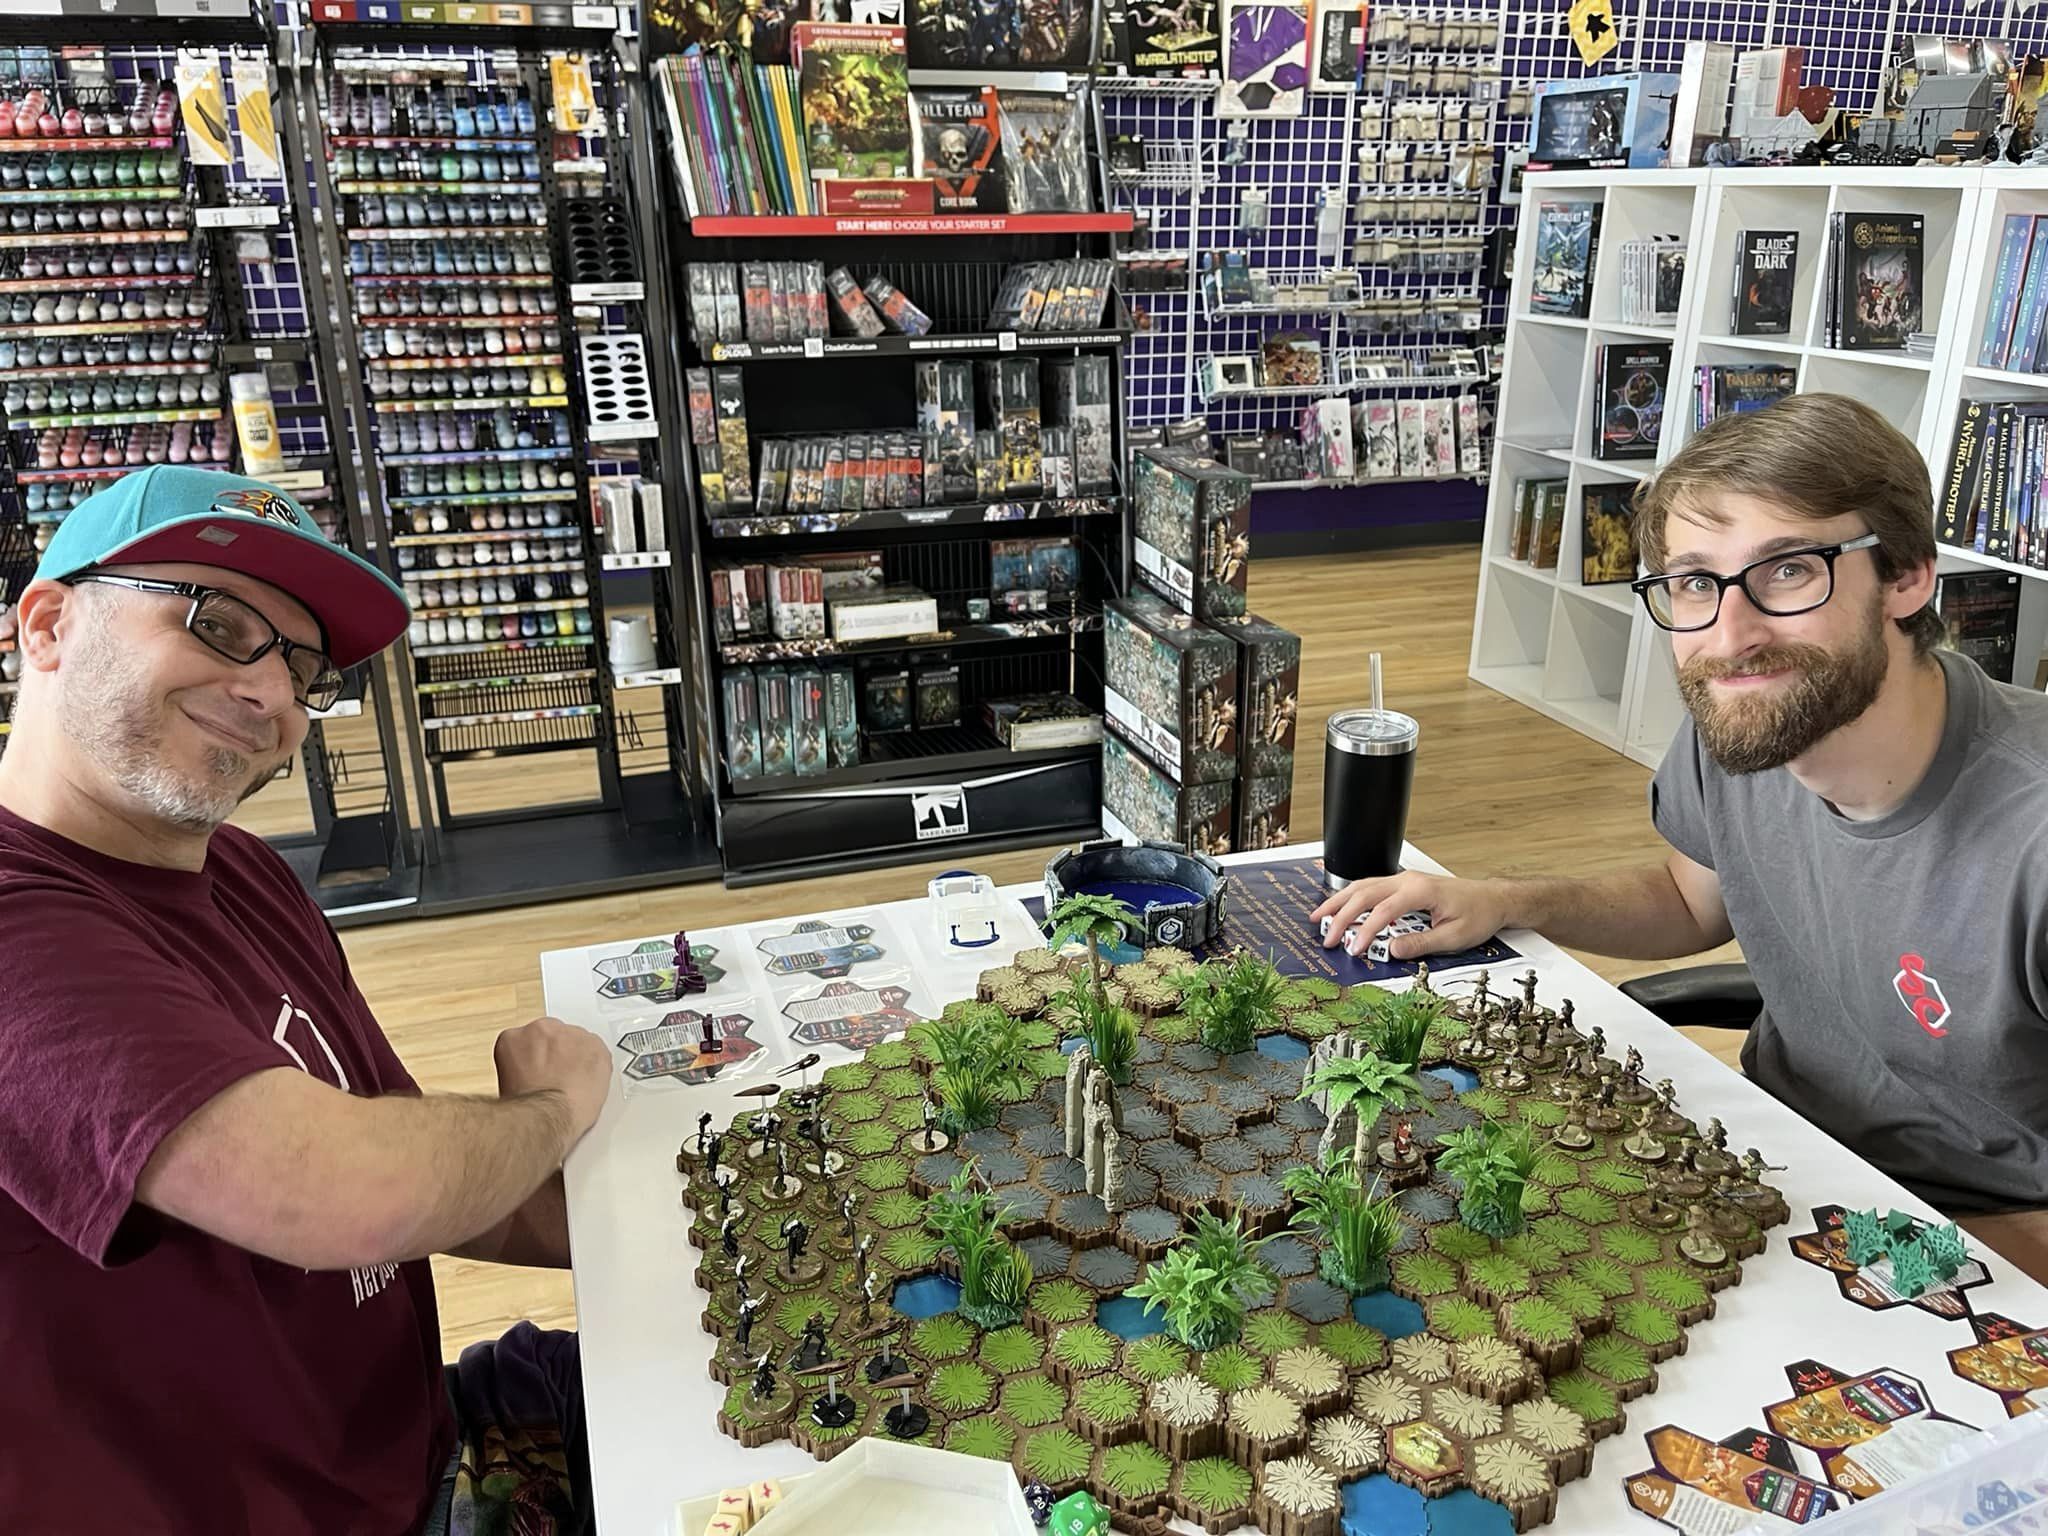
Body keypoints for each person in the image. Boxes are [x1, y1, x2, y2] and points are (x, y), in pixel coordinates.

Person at [0, 467, 612, 1533]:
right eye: (220, 624)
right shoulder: (19, 922)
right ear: (49, 626)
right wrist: (554, 1108)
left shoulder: (241, 872)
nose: (272, 696)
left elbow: (418, 1161)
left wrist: (664, 1226)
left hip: (422, 1445)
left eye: (303, 667)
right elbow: (349, 1191)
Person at [1315, 393, 2048, 1216]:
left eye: (1790, 570)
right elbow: (1690, 899)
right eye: (1698, 583)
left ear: (1906, 577)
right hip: (1773, 1162)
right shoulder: (1749, 722)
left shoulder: (2032, 831)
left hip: (1977, 1235)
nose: (1731, 638)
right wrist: (1504, 901)